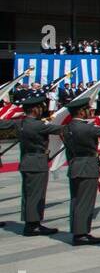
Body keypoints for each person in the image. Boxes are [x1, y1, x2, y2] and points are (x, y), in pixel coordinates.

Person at [61, 95, 100, 246]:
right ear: (81, 112)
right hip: (87, 166)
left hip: (74, 165)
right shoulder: (87, 129)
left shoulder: (67, 128)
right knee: (85, 202)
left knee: (76, 201)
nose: (90, 111)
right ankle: (81, 234)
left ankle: (76, 230)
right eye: (88, 109)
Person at [0, 95, 63, 235]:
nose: (42, 110)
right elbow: (62, 129)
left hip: (25, 161)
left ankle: (30, 222)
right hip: (38, 163)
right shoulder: (39, 125)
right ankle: (33, 225)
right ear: (35, 109)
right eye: (40, 107)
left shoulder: (20, 123)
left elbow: (3, 124)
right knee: (37, 195)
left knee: (28, 195)